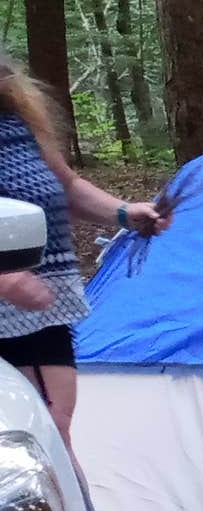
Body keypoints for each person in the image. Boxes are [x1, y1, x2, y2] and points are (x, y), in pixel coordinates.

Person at [0, 49, 170, 444]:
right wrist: (4, 280)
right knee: (29, 438)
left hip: (43, 309)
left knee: (52, 434)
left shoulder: (18, 123)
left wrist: (124, 213)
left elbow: (67, 187)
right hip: (10, 309)